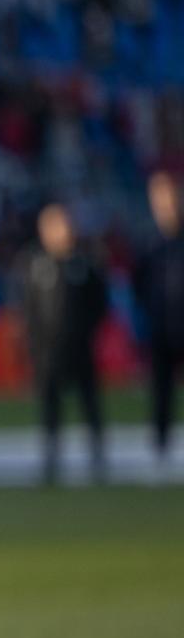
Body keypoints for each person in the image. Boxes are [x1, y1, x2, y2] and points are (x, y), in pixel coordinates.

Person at [13, 203, 110, 484]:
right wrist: (33, 344)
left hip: (80, 346)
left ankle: (98, 456)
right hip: (47, 350)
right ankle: (51, 459)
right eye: (53, 225)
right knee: (49, 405)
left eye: (63, 224)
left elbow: (99, 304)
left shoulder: (85, 263)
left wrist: (86, 331)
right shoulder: (35, 264)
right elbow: (28, 310)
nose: (60, 231)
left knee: (90, 402)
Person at [132, 171, 184, 462]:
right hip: (161, 327)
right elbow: (138, 285)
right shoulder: (148, 242)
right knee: (160, 390)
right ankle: (160, 448)